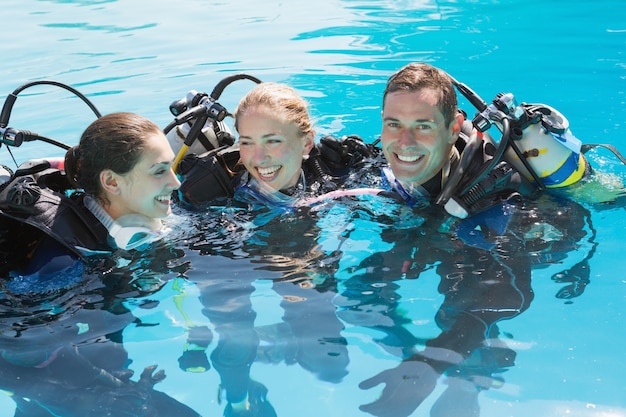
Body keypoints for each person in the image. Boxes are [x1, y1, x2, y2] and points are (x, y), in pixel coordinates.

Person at [0, 111, 181, 275]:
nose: (176, 183)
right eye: (159, 171)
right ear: (111, 182)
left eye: (170, 166)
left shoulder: (147, 215)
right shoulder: (63, 263)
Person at [175, 81, 375, 210]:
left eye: (272, 141)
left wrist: (368, 161)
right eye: (247, 142)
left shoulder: (329, 171)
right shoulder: (217, 197)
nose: (259, 157)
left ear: (306, 143)